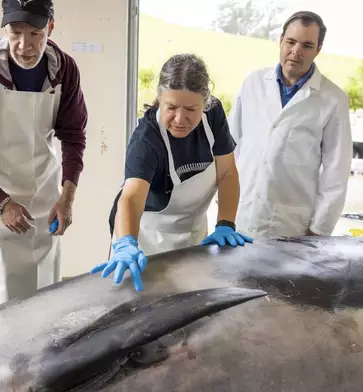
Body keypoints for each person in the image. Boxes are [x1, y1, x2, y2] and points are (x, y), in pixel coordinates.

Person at [0, 0, 88, 316]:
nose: (25, 46)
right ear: (5, 29)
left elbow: (73, 137)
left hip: (44, 195)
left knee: (44, 296)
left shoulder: (63, 70)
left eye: (35, 33)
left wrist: (67, 197)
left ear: (50, 28)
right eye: (15, 32)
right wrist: (1, 202)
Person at [90, 54, 253, 291]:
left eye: (191, 109)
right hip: (146, 240)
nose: (180, 119)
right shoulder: (147, 140)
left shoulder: (214, 116)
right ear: (159, 98)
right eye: (172, 107)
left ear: (205, 103)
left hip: (195, 233)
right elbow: (131, 198)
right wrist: (126, 243)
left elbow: (227, 172)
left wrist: (225, 223)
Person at [227, 11, 352, 238]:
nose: (296, 52)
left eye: (306, 45)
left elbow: (336, 172)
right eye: (291, 42)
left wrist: (319, 230)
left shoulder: (333, 99)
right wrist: (224, 204)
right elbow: (230, 146)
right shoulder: (252, 83)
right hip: (241, 214)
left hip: (292, 226)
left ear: (318, 49)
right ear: (281, 40)